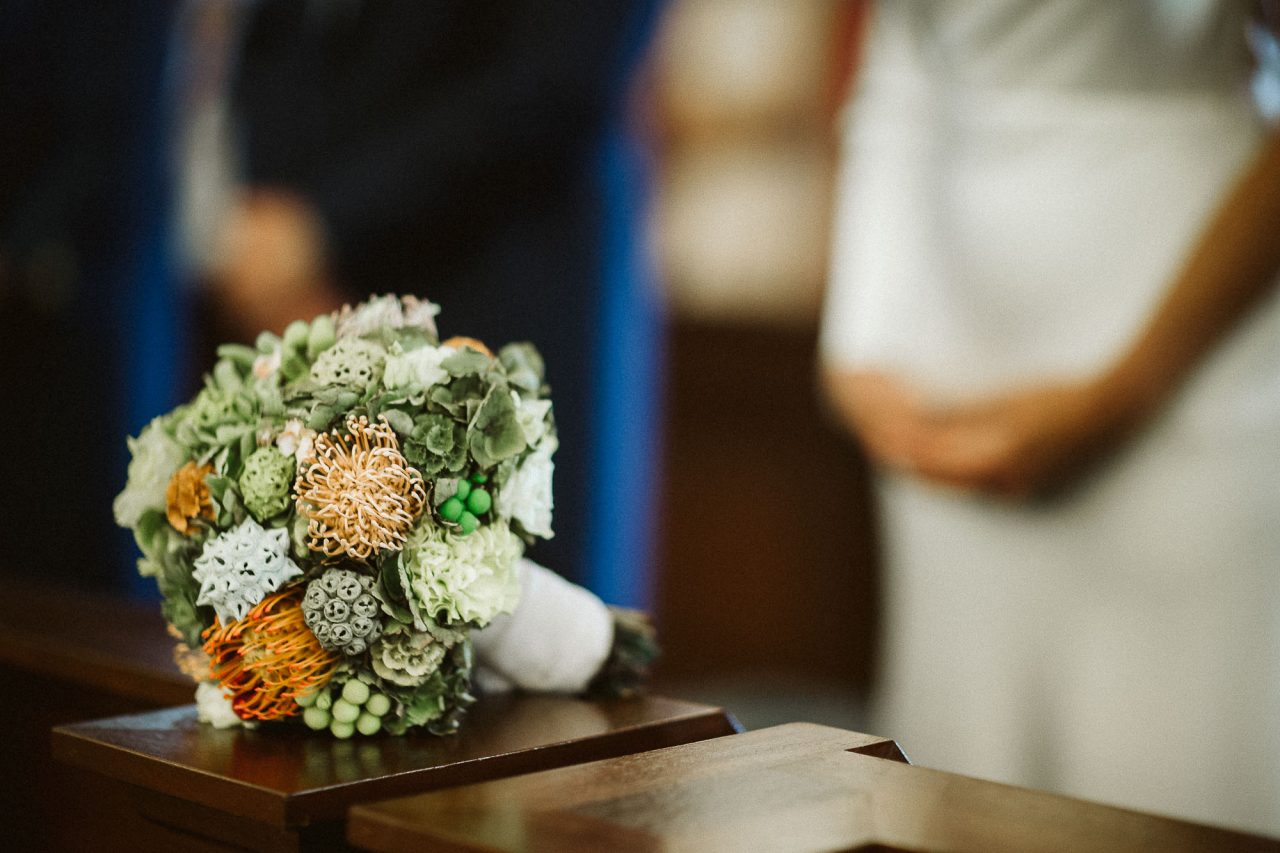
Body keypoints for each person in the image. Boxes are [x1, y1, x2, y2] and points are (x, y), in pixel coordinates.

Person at [820, 1, 1280, 836]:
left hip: (1192, 386)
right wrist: (855, 340)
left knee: (1168, 787)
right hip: (948, 399)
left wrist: (1127, 390)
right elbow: (901, 60)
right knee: (969, 778)